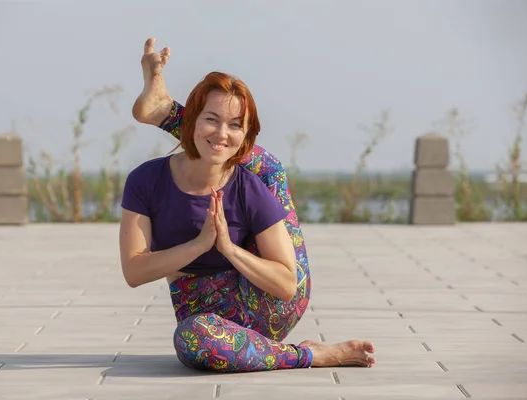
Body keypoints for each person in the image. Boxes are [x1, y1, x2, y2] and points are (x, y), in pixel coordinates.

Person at [119, 37, 376, 372]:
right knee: (191, 338)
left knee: (268, 168)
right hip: (206, 318)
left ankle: (166, 111)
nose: (223, 133)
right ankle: (309, 354)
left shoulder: (250, 186)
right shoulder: (146, 180)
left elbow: (287, 285)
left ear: (246, 134)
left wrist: (228, 248)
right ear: (194, 121)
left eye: (236, 125)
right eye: (210, 119)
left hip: (266, 305)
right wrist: (198, 246)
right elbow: (134, 272)